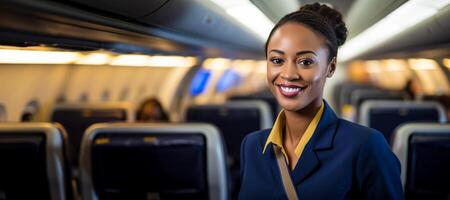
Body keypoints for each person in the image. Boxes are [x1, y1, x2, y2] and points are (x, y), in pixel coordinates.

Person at [239, 3, 403, 200]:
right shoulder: (252, 146)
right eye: (277, 60)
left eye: (306, 62)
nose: (288, 74)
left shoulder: (365, 146)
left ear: (330, 67)